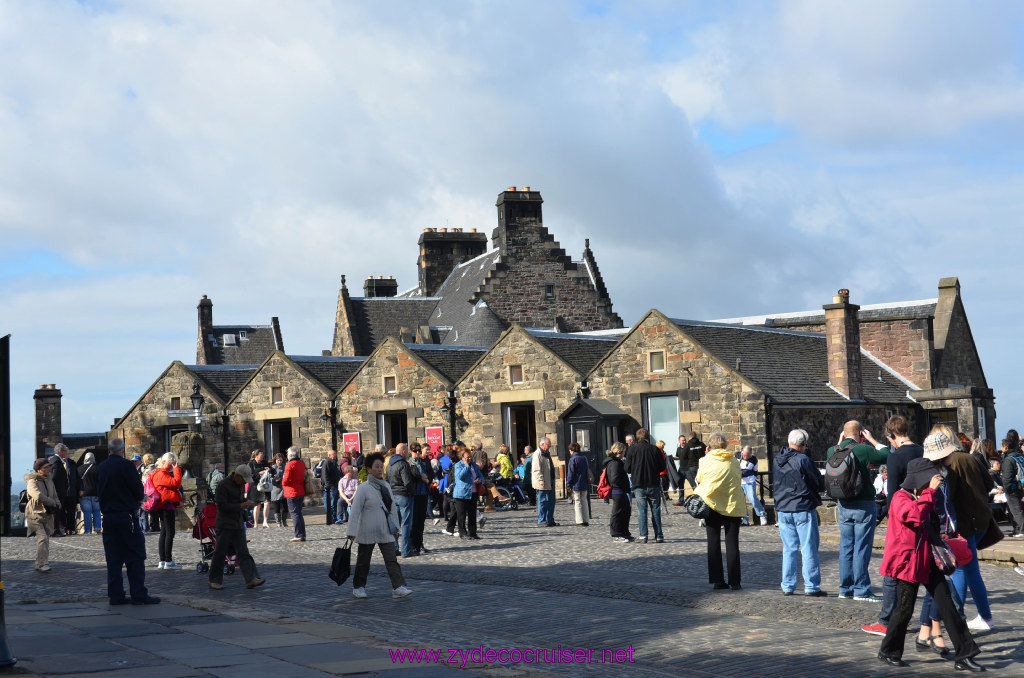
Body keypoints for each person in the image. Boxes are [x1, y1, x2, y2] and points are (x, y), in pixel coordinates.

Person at [876, 457, 984, 671]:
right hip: (908, 563)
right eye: (927, 481)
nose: (930, 484)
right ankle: (888, 650)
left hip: (927, 559)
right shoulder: (900, 498)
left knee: (948, 606)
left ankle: (964, 654)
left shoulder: (922, 496)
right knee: (904, 610)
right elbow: (915, 516)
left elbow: (930, 520)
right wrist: (930, 492)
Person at [926, 428, 995, 632]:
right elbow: (990, 483)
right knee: (968, 570)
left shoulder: (949, 464)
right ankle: (979, 616)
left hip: (963, 523)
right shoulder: (970, 458)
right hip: (981, 518)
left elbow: (947, 498)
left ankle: (962, 618)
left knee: (963, 570)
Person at [863, 415, 924, 636]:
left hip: (903, 517)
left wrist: (890, 517)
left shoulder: (896, 457)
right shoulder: (921, 450)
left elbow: (893, 493)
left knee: (892, 569)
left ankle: (886, 621)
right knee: (927, 570)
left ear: (891, 435)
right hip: (924, 513)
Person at [826, 420, 889, 601]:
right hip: (863, 503)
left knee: (846, 547)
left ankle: (845, 589)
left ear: (843, 434)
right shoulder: (863, 449)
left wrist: (840, 441)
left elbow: (837, 450)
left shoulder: (833, 451)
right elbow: (886, 454)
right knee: (861, 547)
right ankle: (861, 590)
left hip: (843, 504)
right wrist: (872, 440)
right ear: (861, 434)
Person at [96, 438, 159, 605]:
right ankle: (138, 593)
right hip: (126, 516)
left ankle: (115, 594)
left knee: (113, 557)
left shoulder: (101, 467)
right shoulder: (126, 466)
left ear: (109, 450)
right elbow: (138, 491)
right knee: (135, 556)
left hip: (108, 517)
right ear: (122, 450)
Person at [346, 452, 412, 599]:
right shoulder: (364, 488)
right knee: (363, 561)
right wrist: (351, 531)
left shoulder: (386, 486)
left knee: (391, 560)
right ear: (369, 469)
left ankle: (398, 587)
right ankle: (359, 587)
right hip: (366, 530)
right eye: (376, 467)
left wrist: (395, 528)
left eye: (381, 466)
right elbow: (355, 510)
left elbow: (392, 509)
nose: (379, 469)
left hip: (385, 529)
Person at [772, 429, 825, 596]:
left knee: (789, 548)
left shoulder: (777, 460)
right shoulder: (803, 459)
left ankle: (787, 585)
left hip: (783, 508)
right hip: (802, 507)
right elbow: (817, 482)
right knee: (808, 547)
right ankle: (811, 586)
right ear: (802, 445)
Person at [696, 431, 744, 590]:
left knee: (713, 542)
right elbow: (739, 479)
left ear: (710, 445)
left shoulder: (704, 461)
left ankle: (717, 580)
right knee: (732, 544)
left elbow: (699, 480)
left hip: (711, 504)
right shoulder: (733, 461)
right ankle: (735, 581)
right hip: (731, 504)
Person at [208, 465, 265, 591]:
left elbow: (237, 502)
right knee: (220, 553)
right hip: (225, 524)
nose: (244, 482)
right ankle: (214, 580)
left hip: (237, 523)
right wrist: (241, 505)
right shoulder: (223, 485)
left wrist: (244, 506)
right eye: (243, 479)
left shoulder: (238, 484)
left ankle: (251, 579)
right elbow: (222, 506)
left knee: (243, 552)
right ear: (237, 476)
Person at [624, 428, 665, 543]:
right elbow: (662, 467)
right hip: (653, 483)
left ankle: (643, 535)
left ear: (637, 437)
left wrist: (635, 469)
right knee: (656, 510)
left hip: (639, 483)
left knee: (642, 511)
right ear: (647, 437)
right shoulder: (655, 449)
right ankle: (659, 535)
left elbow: (627, 468)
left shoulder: (632, 450)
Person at [25, 458, 60, 572]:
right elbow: (37, 495)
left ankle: (42, 562)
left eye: (48, 466)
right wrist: (52, 502)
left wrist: (57, 503)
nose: (48, 469)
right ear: (39, 470)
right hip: (35, 513)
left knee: (47, 537)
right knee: (43, 537)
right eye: (45, 467)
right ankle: (41, 564)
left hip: (48, 513)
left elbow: (54, 494)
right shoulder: (32, 481)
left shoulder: (50, 480)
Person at [150, 452, 183, 569]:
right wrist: (177, 469)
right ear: (164, 462)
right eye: (169, 464)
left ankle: (163, 560)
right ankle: (167, 561)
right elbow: (176, 483)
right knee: (169, 532)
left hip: (162, 505)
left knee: (164, 532)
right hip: (166, 505)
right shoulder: (162, 474)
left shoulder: (159, 473)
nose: (170, 467)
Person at [385, 442, 416, 556]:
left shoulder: (389, 464)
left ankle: (394, 548)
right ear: (403, 451)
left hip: (393, 495)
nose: (407, 452)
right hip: (404, 495)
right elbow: (407, 482)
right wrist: (412, 493)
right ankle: (406, 550)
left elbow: (387, 481)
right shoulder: (403, 464)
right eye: (406, 450)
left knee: (395, 524)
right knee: (406, 524)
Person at [449, 447, 480, 539]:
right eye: (466, 457)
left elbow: (481, 476)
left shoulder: (474, 466)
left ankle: (473, 533)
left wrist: (480, 480)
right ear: (462, 457)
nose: (469, 459)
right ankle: (462, 532)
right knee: (461, 515)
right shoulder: (458, 465)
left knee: (472, 514)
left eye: (469, 457)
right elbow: (460, 477)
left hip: (473, 492)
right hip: (461, 493)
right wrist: (466, 466)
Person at [49, 443, 79, 535]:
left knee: (66, 511)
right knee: (58, 511)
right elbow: (54, 479)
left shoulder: (57, 461)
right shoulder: (57, 463)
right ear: (60, 452)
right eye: (66, 451)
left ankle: (64, 529)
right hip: (59, 492)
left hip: (65, 491)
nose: (68, 452)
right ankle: (58, 529)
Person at [605, 443, 632, 542]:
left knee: (625, 511)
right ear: (620, 452)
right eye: (624, 451)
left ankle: (624, 532)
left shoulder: (617, 462)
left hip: (621, 490)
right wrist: (623, 485)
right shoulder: (614, 463)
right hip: (618, 490)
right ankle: (616, 534)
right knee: (617, 513)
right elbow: (615, 479)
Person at [409, 443, 433, 555]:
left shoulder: (423, 462)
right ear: (411, 451)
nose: (417, 452)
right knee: (414, 521)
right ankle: (413, 545)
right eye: (415, 451)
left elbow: (431, 474)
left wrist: (426, 478)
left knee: (421, 522)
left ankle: (420, 544)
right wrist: (421, 477)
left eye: (419, 450)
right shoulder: (408, 463)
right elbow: (409, 478)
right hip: (414, 494)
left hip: (423, 493)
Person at [531, 437, 558, 527]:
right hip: (543, 481)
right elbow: (536, 470)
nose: (549, 447)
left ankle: (549, 519)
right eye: (548, 445)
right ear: (542, 444)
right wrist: (541, 480)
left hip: (550, 480)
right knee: (543, 501)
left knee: (551, 501)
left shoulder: (546, 453)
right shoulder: (537, 454)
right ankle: (542, 520)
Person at [1000, 437, 1024, 537]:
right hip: (1021, 486)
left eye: (1001, 446)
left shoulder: (1008, 460)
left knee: (1016, 510)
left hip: (1013, 488)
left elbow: (1007, 477)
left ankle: (1021, 531)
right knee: (1020, 508)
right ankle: (1017, 530)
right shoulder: (1020, 456)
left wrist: (1006, 489)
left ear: (1005, 447)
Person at [738, 446, 767, 526]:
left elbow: (755, 471)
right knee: (740, 500)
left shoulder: (753, 459)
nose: (745, 457)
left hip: (749, 481)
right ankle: (744, 517)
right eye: (744, 455)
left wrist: (751, 477)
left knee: (752, 498)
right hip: (738, 481)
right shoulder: (736, 456)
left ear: (750, 454)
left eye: (747, 455)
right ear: (742, 452)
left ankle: (762, 514)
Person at [282, 446, 307, 542]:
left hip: (291, 492)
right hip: (300, 491)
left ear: (290, 454)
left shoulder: (289, 464)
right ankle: (302, 534)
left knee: (294, 514)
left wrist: (282, 482)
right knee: (299, 514)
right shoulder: (301, 463)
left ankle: (298, 535)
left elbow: (286, 479)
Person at [77, 452, 102, 535]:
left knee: (87, 512)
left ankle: (87, 530)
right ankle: (97, 527)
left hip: (84, 493)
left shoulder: (79, 469)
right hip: (96, 493)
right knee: (97, 511)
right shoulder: (98, 468)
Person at [566, 442, 590, 527]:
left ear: (571, 450)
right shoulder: (584, 458)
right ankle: (586, 519)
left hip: (576, 483)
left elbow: (571, 473)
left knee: (577, 501)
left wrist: (568, 484)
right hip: (584, 482)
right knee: (584, 501)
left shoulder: (573, 459)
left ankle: (580, 520)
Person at [247, 450, 272, 528]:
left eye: (263, 456)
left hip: (265, 485)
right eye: (260, 456)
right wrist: (259, 473)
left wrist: (269, 469)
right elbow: (249, 475)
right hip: (255, 486)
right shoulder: (251, 464)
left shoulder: (265, 462)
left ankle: (265, 521)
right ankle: (256, 523)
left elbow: (272, 471)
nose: (262, 457)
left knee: (267, 502)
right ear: (256, 456)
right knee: (257, 505)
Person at [321, 449, 341, 526]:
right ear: (330, 455)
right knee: (330, 503)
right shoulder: (327, 462)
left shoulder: (333, 462)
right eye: (334, 454)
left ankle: (333, 518)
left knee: (334, 502)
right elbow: (325, 475)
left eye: (335, 453)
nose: (336, 455)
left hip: (335, 485)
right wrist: (329, 485)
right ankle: (330, 518)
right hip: (330, 487)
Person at [140, 453, 160, 533]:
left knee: (150, 509)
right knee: (155, 509)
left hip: (149, 491)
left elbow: (145, 482)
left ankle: (152, 526)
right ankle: (155, 525)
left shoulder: (147, 470)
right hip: (156, 490)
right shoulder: (155, 468)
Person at [269, 454, 288, 527]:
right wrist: (275, 479)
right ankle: (278, 522)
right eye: (278, 460)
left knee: (285, 507)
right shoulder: (273, 468)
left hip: (284, 489)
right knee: (277, 507)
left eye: (280, 460)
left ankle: (284, 520)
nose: (279, 461)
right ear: (275, 460)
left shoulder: (285, 467)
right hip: (275, 489)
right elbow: (270, 478)